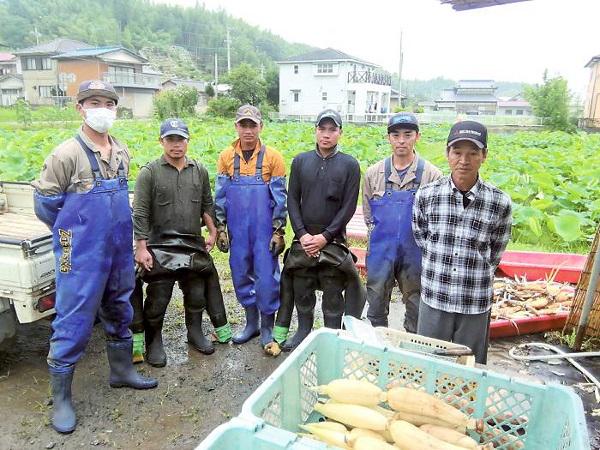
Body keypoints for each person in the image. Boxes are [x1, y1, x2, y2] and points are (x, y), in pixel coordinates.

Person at [32, 80, 157, 434]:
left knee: (120, 304)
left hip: (118, 244)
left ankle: (121, 371)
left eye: (107, 102)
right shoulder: (65, 154)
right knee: (74, 315)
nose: (101, 108)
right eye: (93, 102)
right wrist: (75, 232)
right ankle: (61, 399)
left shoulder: (121, 150)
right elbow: (46, 206)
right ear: (80, 108)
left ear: (115, 108)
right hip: (77, 249)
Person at [133, 119, 232, 367]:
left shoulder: (199, 170)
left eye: (180, 140)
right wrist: (141, 247)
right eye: (170, 140)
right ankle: (153, 341)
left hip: (191, 244)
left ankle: (194, 332)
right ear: (162, 141)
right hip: (159, 245)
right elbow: (140, 213)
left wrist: (211, 232)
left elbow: (207, 204)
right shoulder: (149, 173)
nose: (176, 145)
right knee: (158, 298)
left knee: (197, 293)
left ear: (187, 141)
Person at [412, 120, 512, 364]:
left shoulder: (499, 202)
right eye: (457, 152)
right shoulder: (427, 196)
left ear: (484, 156)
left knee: (470, 372)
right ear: (448, 153)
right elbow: (421, 238)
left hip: (474, 301)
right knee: (428, 366)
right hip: (435, 296)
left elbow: (496, 250)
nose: (464, 161)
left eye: (472, 153)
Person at [271, 109, 364, 352]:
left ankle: (332, 334)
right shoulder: (301, 161)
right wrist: (302, 234)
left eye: (332, 129)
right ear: (315, 131)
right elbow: (292, 200)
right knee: (302, 289)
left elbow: (348, 207)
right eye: (322, 129)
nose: (326, 134)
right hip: (304, 240)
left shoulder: (350, 165)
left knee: (332, 294)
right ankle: (303, 330)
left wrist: (325, 237)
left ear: (340, 133)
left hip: (332, 242)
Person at [214, 105, 287, 350]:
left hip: (263, 231)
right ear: (236, 127)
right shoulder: (225, 157)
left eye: (252, 125)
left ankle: (267, 326)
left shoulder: (273, 157)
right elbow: (221, 196)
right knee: (240, 273)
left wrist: (279, 231)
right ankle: (251, 323)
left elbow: (280, 198)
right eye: (243, 125)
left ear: (260, 127)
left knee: (266, 277)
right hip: (237, 230)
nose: (247, 130)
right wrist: (221, 227)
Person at [362, 113, 442, 332]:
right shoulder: (373, 174)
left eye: (408, 134)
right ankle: (378, 348)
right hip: (381, 250)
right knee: (376, 302)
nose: (401, 140)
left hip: (415, 252)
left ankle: (411, 351)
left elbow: (435, 223)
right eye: (396, 135)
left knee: (417, 305)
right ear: (389, 138)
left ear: (417, 136)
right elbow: (369, 215)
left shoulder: (432, 175)